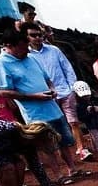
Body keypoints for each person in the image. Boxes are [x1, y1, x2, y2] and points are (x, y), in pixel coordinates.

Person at [0, 28, 81, 185]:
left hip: (51, 105)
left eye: (26, 47)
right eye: (22, 48)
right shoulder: (0, 63)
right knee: (47, 145)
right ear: (9, 46)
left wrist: (52, 90)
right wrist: (32, 97)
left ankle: (72, 169)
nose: (26, 51)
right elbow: (4, 91)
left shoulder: (30, 58)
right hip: (34, 112)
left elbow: (47, 78)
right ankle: (59, 175)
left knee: (64, 140)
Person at [24, 22, 93, 162]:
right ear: (26, 37)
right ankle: (63, 157)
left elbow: (67, 68)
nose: (37, 38)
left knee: (73, 121)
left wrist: (71, 87)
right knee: (53, 127)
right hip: (46, 96)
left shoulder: (54, 50)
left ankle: (81, 150)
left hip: (64, 91)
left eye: (39, 34)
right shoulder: (26, 56)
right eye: (33, 35)